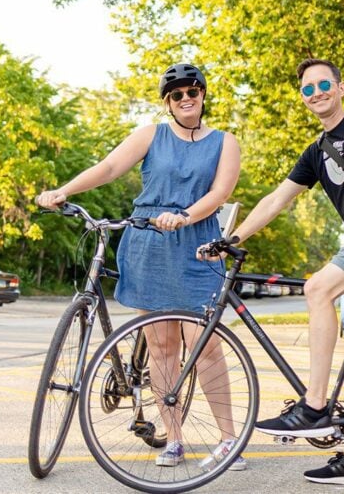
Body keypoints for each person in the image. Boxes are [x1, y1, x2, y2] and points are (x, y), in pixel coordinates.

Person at [208, 58, 344, 486]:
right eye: (308, 89)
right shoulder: (315, 153)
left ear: (341, 87)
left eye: (323, 84)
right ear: (303, 98)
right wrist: (232, 238)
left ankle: (314, 406)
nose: (317, 93)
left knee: (318, 288)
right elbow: (277, 200)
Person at [36, 63, 246, 471]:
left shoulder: (225, 142)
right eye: (177, 94)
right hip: (148, 243)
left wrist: (184, 215)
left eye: (193, 91)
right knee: (163, 347)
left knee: (205, 346)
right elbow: (110, 168)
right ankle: (175, 439)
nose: (186, 98)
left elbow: (220, 193)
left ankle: (227, 439)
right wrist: (65, 190)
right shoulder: (151, 134)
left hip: (195, 243)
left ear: (203, 95)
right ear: (168, 102)